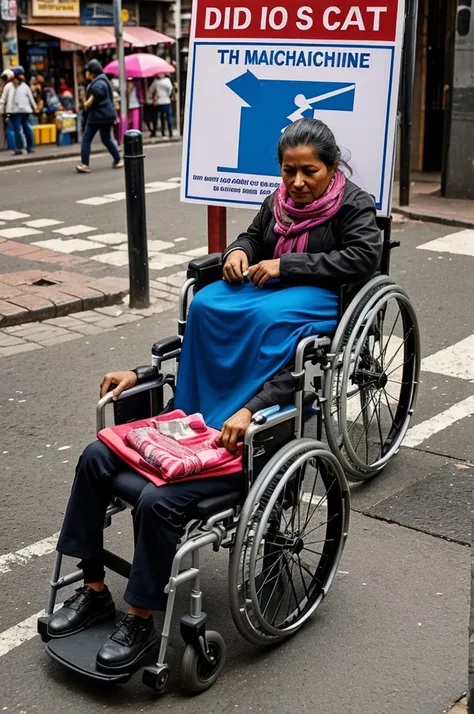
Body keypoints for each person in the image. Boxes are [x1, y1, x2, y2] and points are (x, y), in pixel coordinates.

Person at [46, 118, 381, 673]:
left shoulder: (355, 208)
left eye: (309, 172)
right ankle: (93, 588)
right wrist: (242, 252)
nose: (296, 183)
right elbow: (254, 236)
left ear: (332, 167)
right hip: (261, 297)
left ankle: (140, 619)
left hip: (313, 305)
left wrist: (287, 265)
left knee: (157, 502)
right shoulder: (277, 202)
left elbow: (360, 260)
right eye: (288, 171)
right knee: (99, 450)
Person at [76, 59, 122, 174]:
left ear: (92, 72)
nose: (85, 73)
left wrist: (88, 102)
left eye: (87, 71)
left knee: (86, 139)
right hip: (108, 116)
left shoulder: (98, 83)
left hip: (97, 116)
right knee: (106, 139)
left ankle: (85, 164)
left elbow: (97, 92)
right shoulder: (103, 80)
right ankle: (118, 160)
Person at [10, 72, 37, 155]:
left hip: (17, 111)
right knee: (27, 128)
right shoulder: (25, 87)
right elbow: (31, 99)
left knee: (18, 130)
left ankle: (20, 148)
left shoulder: (14, 87)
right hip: (25, 111)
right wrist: (35, 107)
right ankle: (30, 147)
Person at [147, 72, 173, 138]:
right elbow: (170, 90)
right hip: (165, 101)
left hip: (160, 101)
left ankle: (159, 132)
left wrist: (149, 99)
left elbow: (150, 90)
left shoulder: (155, 82)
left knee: (159, 117)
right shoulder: (167, 81)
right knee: (166, 117)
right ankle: (169, 132)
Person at [0, 70, 17, 152]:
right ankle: (13, 145)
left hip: (8, 111)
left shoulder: (7, 86)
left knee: (9, 128)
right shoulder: (15, 85)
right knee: (12, 127)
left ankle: (11, 146)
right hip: (14, 110)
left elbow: (3, 99)